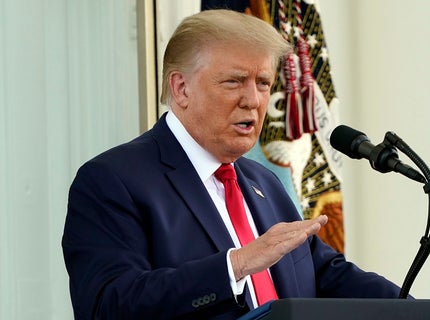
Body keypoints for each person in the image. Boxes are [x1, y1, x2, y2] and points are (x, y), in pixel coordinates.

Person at [62, 9, 402, 320]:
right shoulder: (113, 181)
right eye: (234, 81)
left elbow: (328, 275)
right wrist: (235, 265)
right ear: (181, 88)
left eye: (264, 83)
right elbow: (106, 306)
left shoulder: (264, 182)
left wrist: (419, 312)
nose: (253, 100)